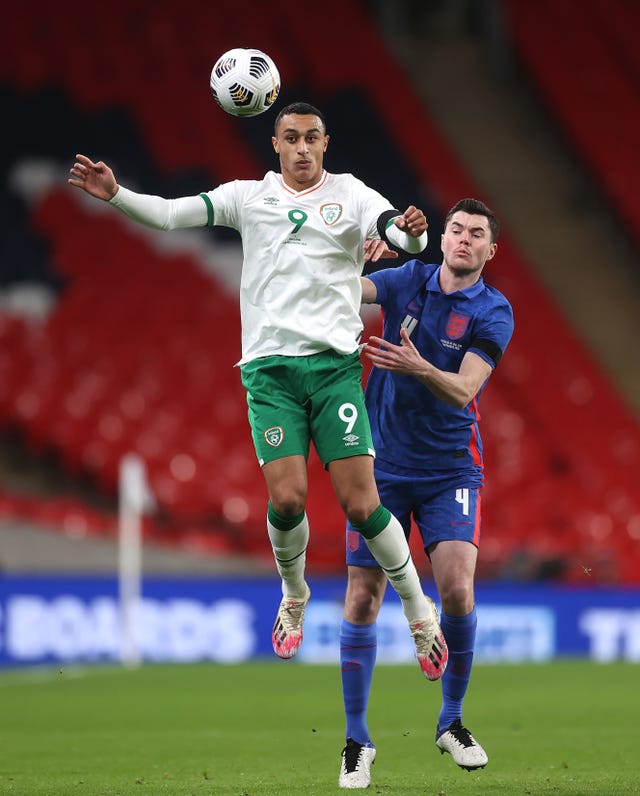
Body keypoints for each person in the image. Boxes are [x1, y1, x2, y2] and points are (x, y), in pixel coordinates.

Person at [68, 101, 449, 678]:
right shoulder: (249, 197)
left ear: (326, 143)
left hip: (334, 367)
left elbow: (398, 232)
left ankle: (420, 612)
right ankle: (294, 596)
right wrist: (118, 194)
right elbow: (173, 215)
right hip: (270, 372)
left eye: (311, 139)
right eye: (291, 138)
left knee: (362, 504)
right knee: (288, 500)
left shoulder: (352, 194)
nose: (301, 148)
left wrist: (413, 235)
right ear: (275, 144)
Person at [338, 198, 514, 788]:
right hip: (381, 465)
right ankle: (356, 741)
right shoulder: (404, 280)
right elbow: (343, 289)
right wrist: (350, 254)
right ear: (441, 238)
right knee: (362, 598)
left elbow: (465, 391)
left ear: (491, 250)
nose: (464, 239)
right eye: (456, 230)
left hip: (449, 469)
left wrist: (418, 368)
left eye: (476, 235)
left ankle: (453, 720)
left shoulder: (495, 310)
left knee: (458, 588)